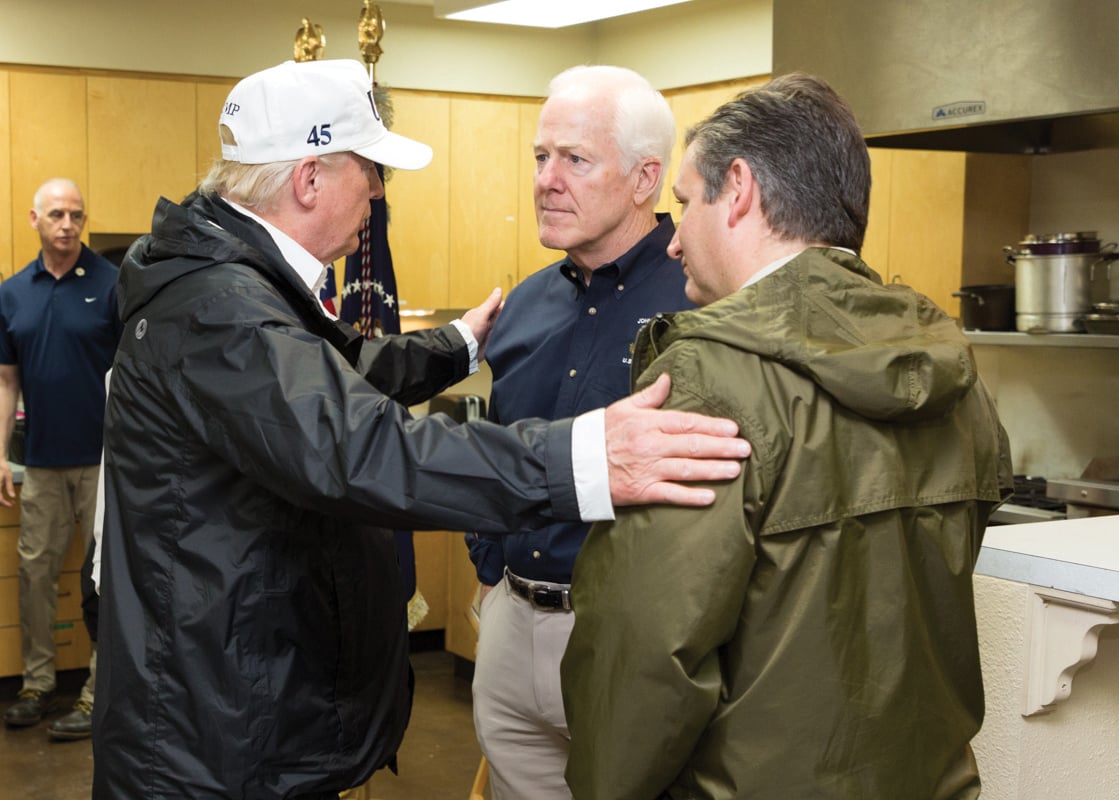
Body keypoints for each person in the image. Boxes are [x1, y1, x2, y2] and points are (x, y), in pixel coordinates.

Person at [92, 58, 747, 800]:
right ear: (309, 181)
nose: (376, 195)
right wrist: (586, 458)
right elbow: (358, 445)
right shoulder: (223, 307)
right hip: (209, 732)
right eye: (371, 173)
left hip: (228, 705)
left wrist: (457, 344)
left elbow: (327, 382)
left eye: (573, 158)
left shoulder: (229, 283)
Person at [560, 72, 1014, 800]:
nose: (671, 245)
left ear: (737, 189)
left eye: (684, 204)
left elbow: (644, 653)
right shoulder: (950, 370)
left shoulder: (710, 378)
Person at [465, 65, 694, 800]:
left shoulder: (700, 302)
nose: (546, 180)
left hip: (626, 637)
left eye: (575, 159)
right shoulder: (525, 304)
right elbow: (496, 446)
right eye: (540, 157)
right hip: (511, 621)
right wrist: (491, 566)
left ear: (643, 178)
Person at [0, 178, 121, 741]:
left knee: (104, 580)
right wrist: (1, 454)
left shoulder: (112, 283)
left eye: (76, 214)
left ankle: (99, 691)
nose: (68, 224)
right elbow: (6, 382)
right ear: (34, 219)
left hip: (104, 462)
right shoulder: (12, 292)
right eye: (56, 214)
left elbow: (132, 376)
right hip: (42, 463)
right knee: (36, 574)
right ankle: (37, 684)